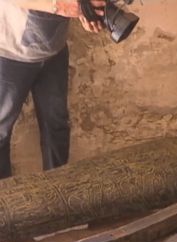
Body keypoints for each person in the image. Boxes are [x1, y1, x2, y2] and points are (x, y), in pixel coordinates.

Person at [0, 0, 105, 179]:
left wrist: (85, 10)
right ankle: (6, 200)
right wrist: (60, 6)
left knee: (56, 127)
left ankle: (58, 192)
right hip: (10, 53)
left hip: (54, 51)